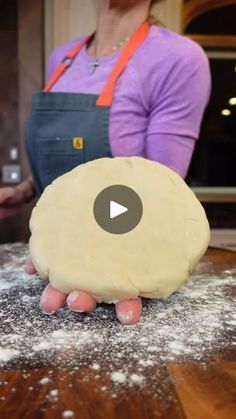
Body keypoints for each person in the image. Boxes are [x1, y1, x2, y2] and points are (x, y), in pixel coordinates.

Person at [0, 0, 211, 325]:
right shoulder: (62, 58)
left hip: (120, 249)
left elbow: (167, 194)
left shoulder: (179, 58)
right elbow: (69, 169)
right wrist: (25, 188)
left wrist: (119, 263)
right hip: (59, 246)